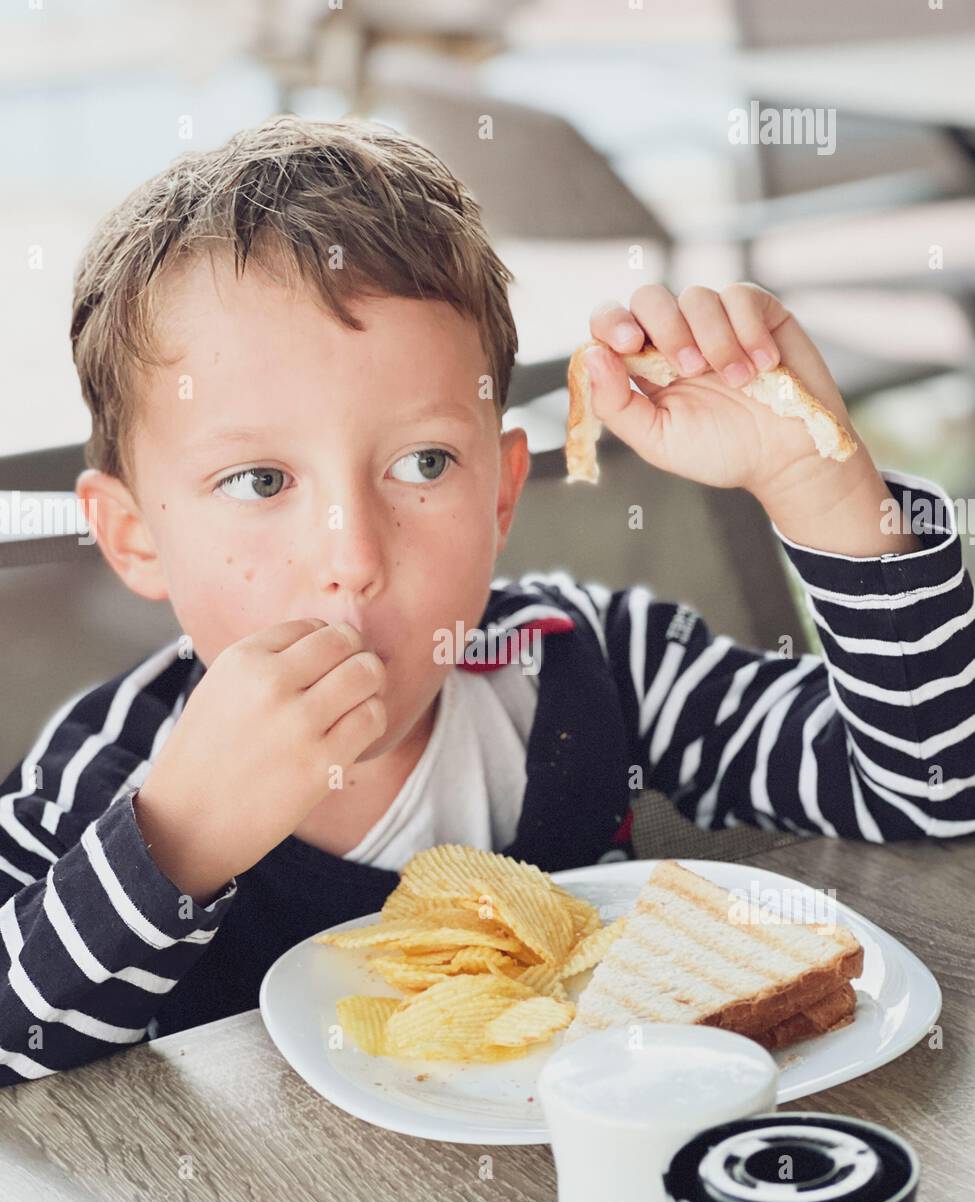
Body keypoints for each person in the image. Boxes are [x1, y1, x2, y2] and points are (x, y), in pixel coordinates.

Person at [2, 115, 972, 1087]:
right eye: (259, 480)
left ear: (501, 492)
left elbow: (932, 786)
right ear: (134, 536)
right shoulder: (108, 773)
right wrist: (175, 842)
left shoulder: (591, 658)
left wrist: (826, 492)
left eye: (423, 463)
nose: (354, 556)